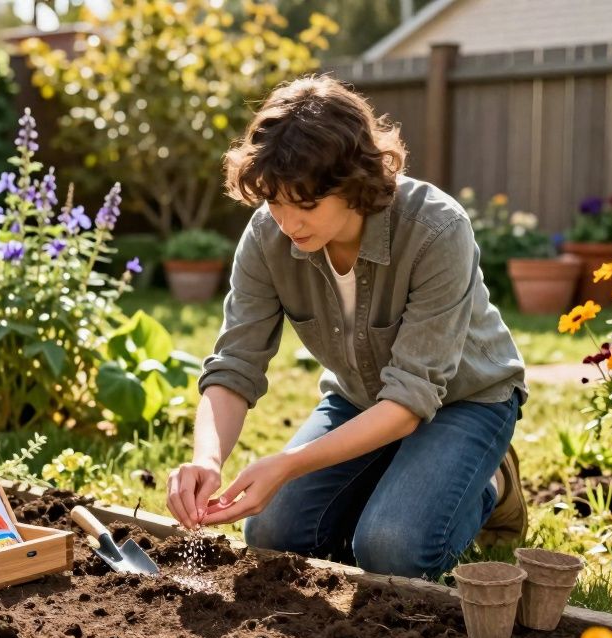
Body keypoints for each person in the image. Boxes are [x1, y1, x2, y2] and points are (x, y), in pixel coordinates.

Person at [164, 75, 529, 579]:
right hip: (360, 399)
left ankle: (492, 482)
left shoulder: (437, 229)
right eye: (274, 201)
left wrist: (288, 465)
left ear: (353, 182)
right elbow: (234, 365)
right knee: (272, 532)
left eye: (306, 205)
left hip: (464, 402)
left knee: (389, 549)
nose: (288, 222)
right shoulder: (268, 236)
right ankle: (399, 474)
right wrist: (206, 458)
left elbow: (409, 400)